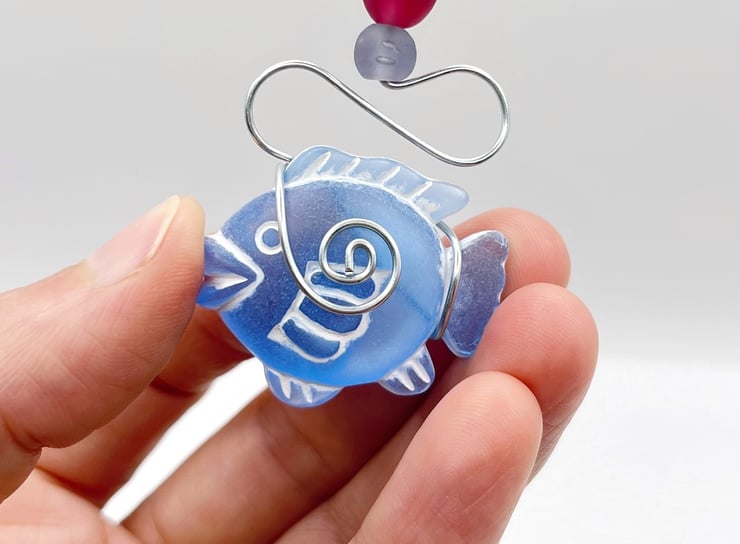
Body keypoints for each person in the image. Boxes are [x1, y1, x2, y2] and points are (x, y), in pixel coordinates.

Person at [0, 196, 597, 543]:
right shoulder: (241, 296)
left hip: (402, 313)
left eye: (270, 238)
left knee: (499, 401)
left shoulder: (319, 223)